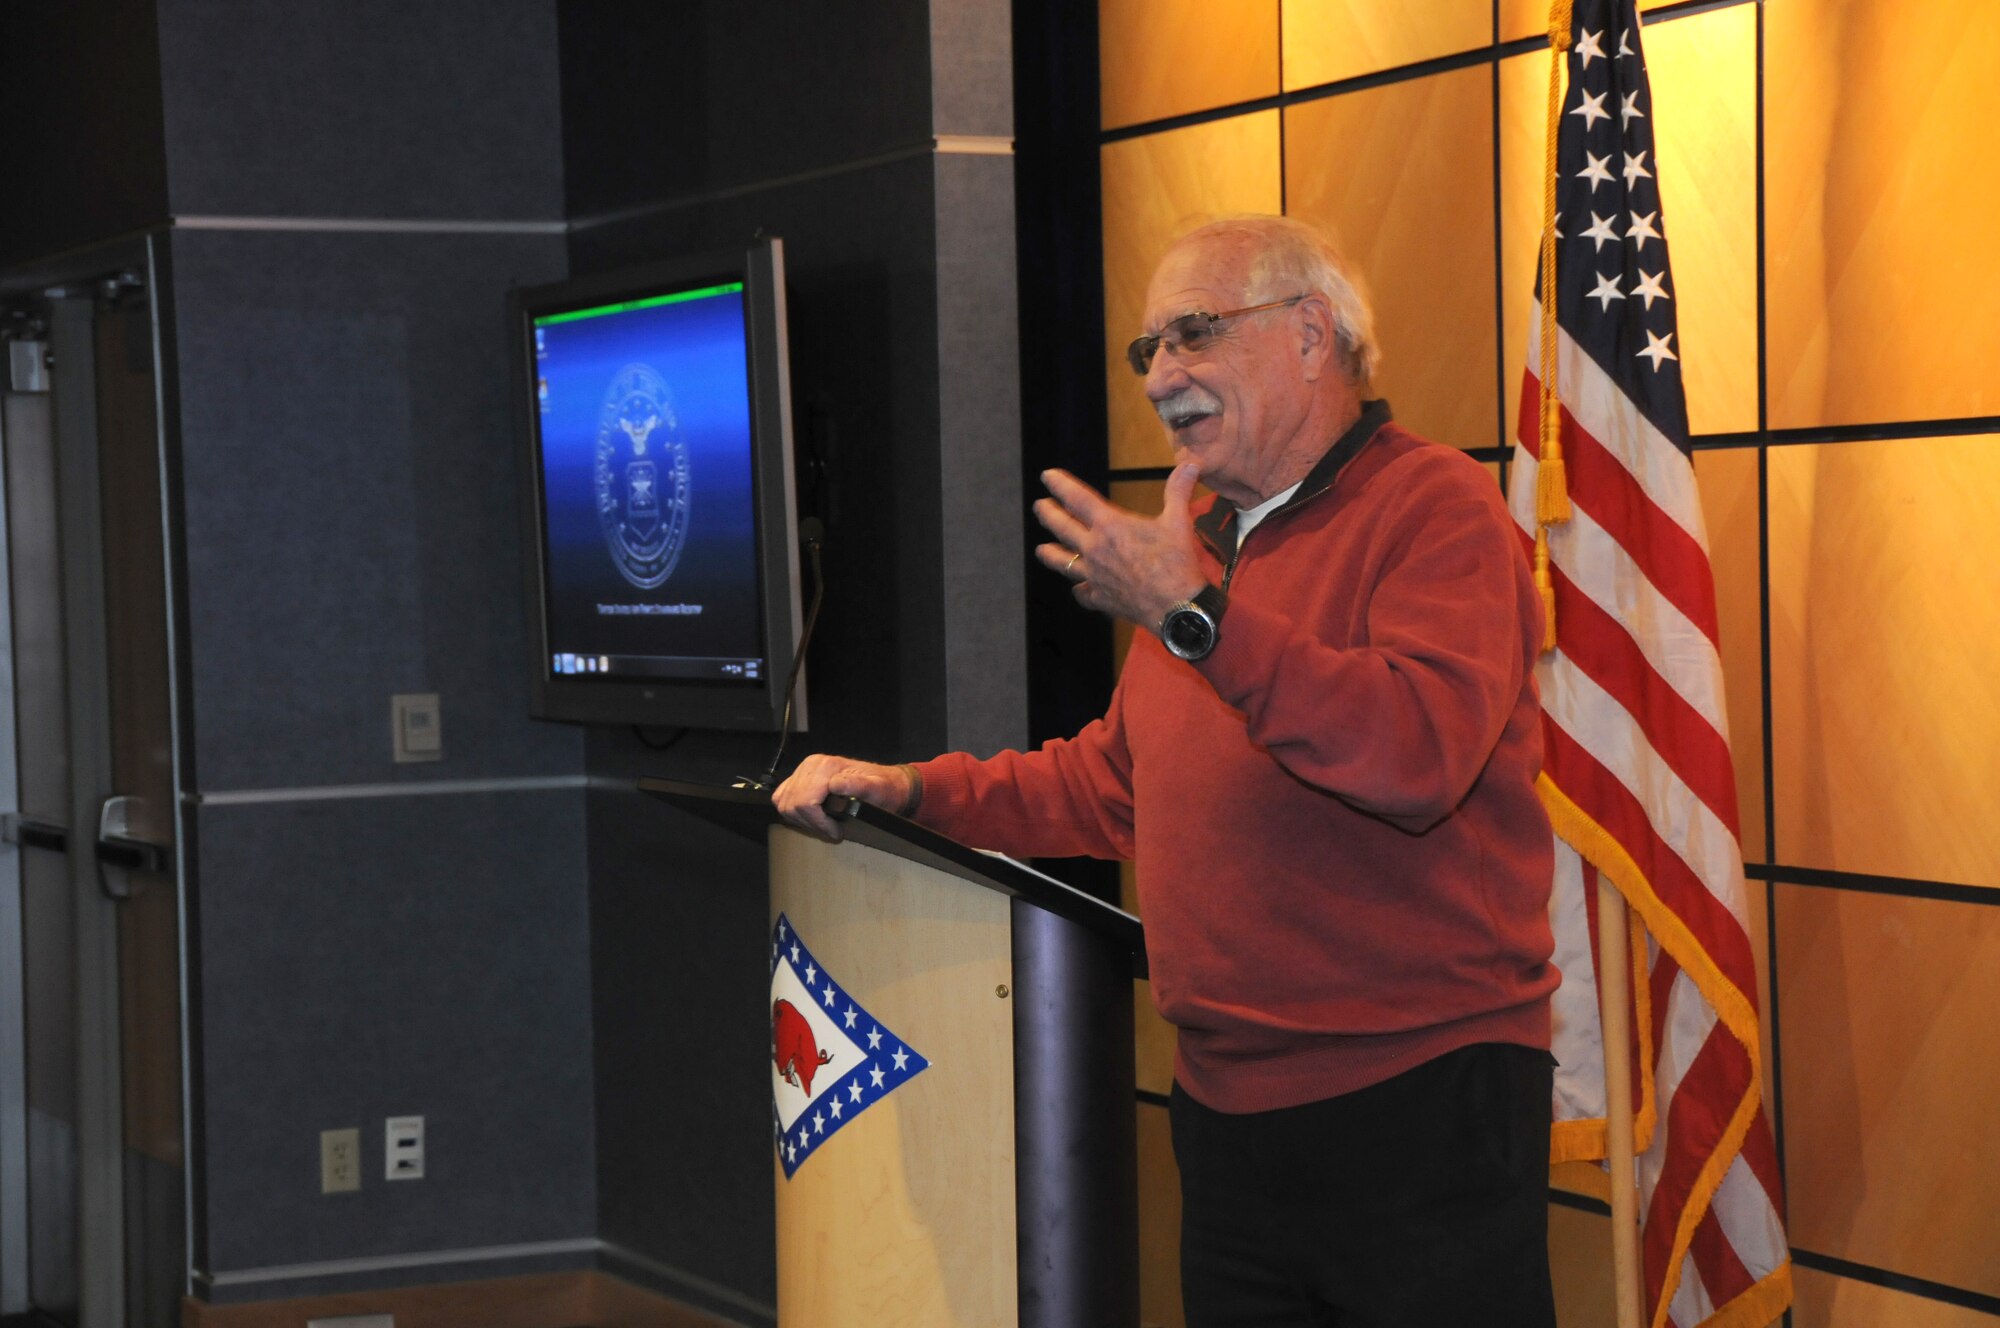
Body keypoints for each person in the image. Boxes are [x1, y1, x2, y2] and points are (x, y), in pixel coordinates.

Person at [775, 214, 1560, 1327]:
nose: (1162, 376)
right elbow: (1107, 785)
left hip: (1417, 1099)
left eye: (1192, 333)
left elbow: (1413, 754)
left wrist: (1190, 613)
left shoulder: (1432, 510)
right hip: (1226, 1110)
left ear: (1308, 332)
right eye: (1148, 349)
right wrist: (912, 790)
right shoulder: (1207, 550)